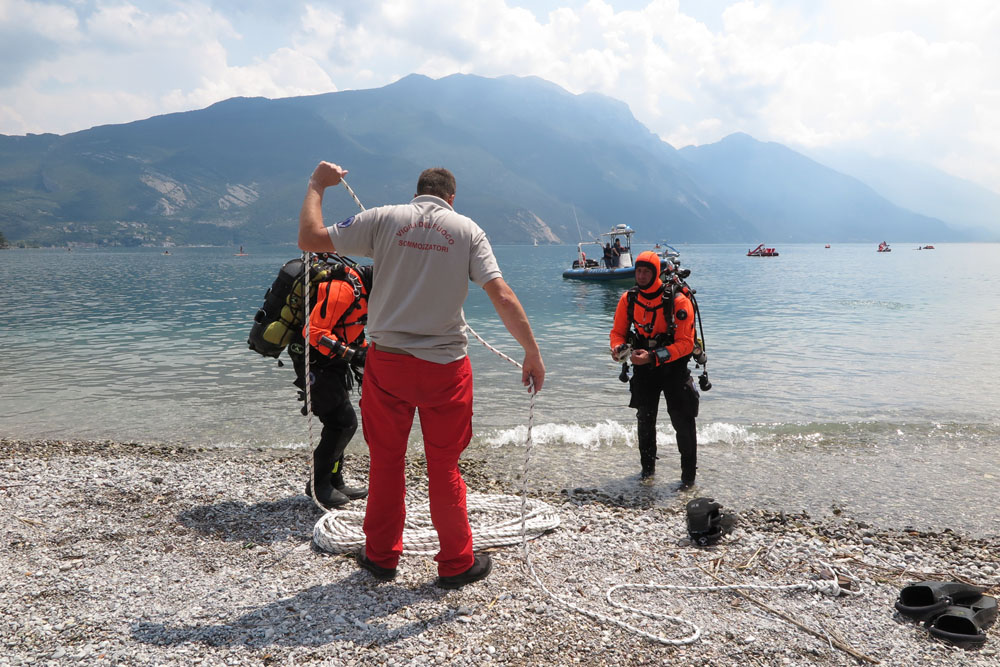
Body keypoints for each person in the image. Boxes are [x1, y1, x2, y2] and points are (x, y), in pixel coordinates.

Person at [298, 161, 545, 589]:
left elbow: (309, 239)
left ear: (418, 194)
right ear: (450, 198)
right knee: (444, 466)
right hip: (445, 369)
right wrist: (531, 352)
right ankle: (455, 563)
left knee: (387, 463)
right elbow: (501, 294)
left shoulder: (382, 218)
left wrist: (318, 184)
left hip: (388, 364)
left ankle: (380, 558)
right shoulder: (467, 230)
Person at [609, 251, 699, 487]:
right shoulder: (628, 299)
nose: (640, 275)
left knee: (683, 422)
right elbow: (618, 332)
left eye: (646, 271)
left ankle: (688, 480)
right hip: (644, 369)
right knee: (645, 421)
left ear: (656, 273)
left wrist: (652, 357)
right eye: (638, 270)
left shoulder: (678, 301)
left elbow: (686, 343)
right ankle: (647, 475)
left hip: (673, 369)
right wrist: (618, 348)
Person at [291, 259, 373, 510]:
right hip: (313, 359)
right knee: (342, 422)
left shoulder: (365, 291)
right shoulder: (344, 288)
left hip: (331, 359)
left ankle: (335, 480)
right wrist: (352, 355)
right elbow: (313, 332)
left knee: (340, 420)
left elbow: (352, 328)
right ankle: (318, 485)